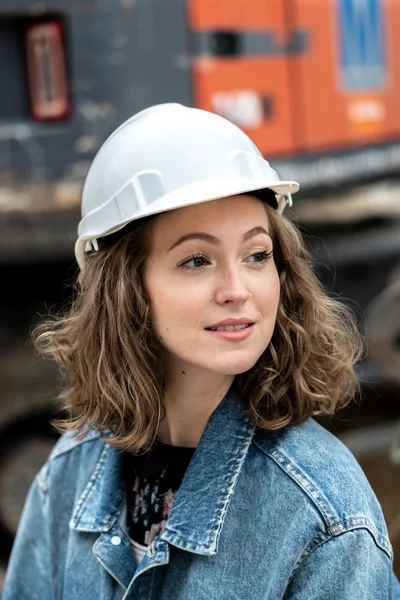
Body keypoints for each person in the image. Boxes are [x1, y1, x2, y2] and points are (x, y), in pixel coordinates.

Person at [3, 103, 400, 599]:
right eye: (196, 260)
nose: (238, 289)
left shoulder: (324, 512)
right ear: (126, 290)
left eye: (257, 255)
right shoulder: (70, 471)